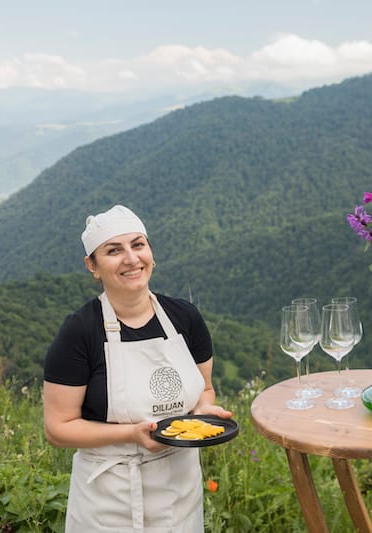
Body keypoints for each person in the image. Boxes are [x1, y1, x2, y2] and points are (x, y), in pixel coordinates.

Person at [43, 204, 232, 533]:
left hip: (179, 492)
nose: (131, 259)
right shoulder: (79, 331)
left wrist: (203, 410)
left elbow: (204, 388)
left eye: (138, 244)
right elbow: (58, 428)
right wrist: (131, 435)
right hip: (107, 500)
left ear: (151, 253)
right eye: (114, 251)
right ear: (93, 266)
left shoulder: (185, 318)